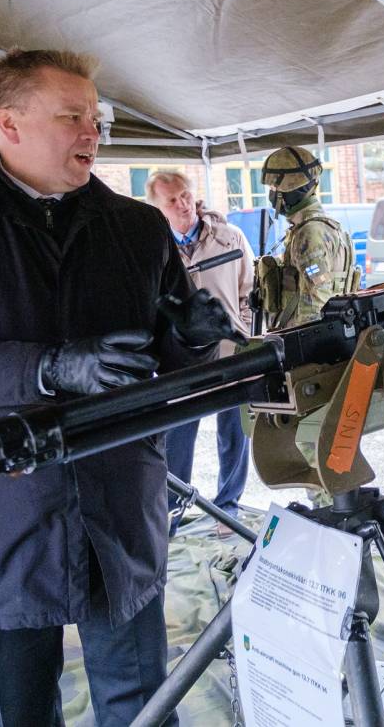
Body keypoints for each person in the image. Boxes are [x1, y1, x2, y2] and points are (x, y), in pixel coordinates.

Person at [0, 48, 229, 726]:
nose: (93, 132)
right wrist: (47, 368)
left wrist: (198, 338)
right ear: (8, 123)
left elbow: (168, 361)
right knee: (22, 708)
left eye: (96, 118)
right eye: (72, 117)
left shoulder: (137, 228)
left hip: (116, 500)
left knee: (143, 702)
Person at [146, 170, 254, 530]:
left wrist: (243, 334)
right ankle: (171, 514)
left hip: (231, 354)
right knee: (177, 439)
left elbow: (248, 292)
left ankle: (229, 507)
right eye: (172, 200)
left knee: (234, 433)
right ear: (158, 209)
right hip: (183, 363)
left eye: (186, 195)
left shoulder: (230, 238)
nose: (183, 204)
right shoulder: (155, 250)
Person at [257, 146, 358, 495]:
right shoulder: (320, 228)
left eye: (276, 188)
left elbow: (317, 301)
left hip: (311, 352)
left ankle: (329, 507)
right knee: (320, 436)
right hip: (323, 348)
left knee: (312, 439)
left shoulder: (310, 233)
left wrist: (299, 354)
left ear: (292, 188)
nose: (273, 195)